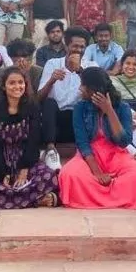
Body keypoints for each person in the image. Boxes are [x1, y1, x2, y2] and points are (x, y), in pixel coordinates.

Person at [58, 67, 136, 210]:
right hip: (89, 155)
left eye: (83, 85)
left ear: (94, 89)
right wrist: (97, 172)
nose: (80, 88)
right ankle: (114, 196)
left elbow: (124, 142)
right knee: (69, 174)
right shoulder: (80, 107)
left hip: (116, 154)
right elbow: (82, 142)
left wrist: (109, 110)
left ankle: (99, 197)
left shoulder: (122, 107)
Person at [0, 67, 60, 209]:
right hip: (1, 160)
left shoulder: (32, 105)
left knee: (48, 175)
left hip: (26, 158)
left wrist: (24, 169)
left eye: (20, 82)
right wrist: (3, 174)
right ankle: (35, 200)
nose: (17, 86)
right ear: (4, 86)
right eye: (12, 83)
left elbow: (33, 141)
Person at [37, 26, 90, 169]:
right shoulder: (52, 64)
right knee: (49, 103)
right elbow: (39, 98)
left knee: (84, 106)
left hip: (78, 121)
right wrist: (51, 81)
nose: (79, 50)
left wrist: (80, 71)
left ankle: (85, 152)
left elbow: (95, 96)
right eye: (75, 46)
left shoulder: (90, 66)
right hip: (54, 123)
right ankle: (51, 150)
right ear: (66, 46)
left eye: (82, 47)